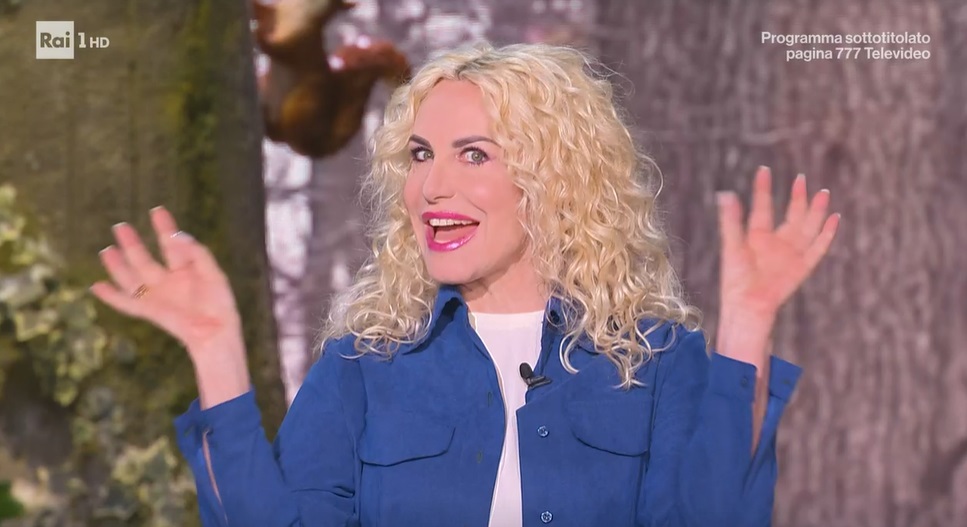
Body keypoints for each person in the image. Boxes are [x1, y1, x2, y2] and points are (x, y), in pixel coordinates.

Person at [90, 42, 839, 527]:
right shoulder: (362, 366)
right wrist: (216, 351)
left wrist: (748, 323)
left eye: (473, 154)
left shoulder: (657, 359)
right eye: (420, 154)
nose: (431, 186)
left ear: (555, 179)